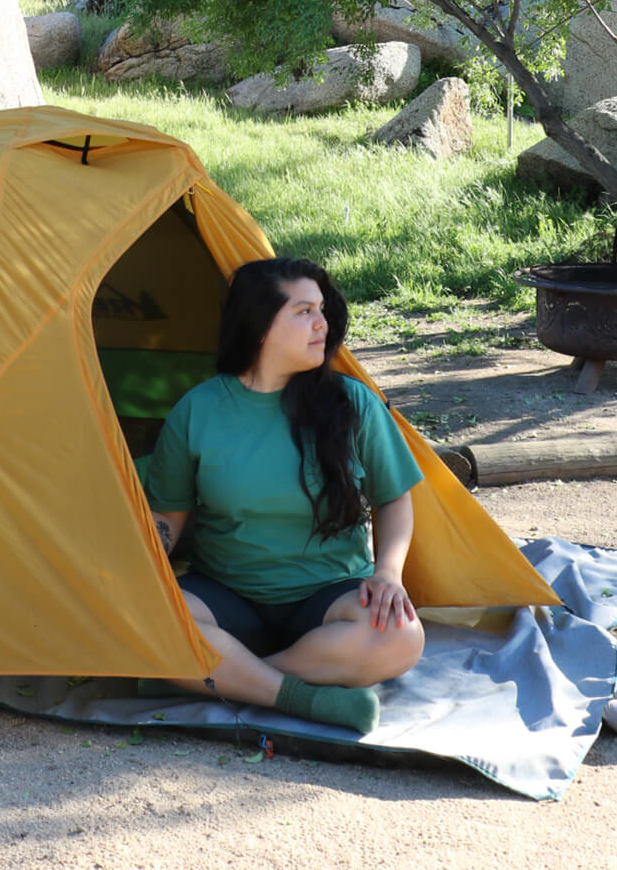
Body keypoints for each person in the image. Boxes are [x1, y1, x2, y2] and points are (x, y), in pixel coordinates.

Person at [143, 257, 425, 735]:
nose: (322, 323)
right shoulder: (199, 410)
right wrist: (140, 580)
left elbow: (394, 498)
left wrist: (388, 574)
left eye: (322, 310)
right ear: (259, 326)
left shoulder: (353, 403)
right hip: (227, 595)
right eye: (303, 312)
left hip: (330, 597)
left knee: (401, 639)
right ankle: (295, 696)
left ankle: (223, 675)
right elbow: (169, 516)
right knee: (146, 620)